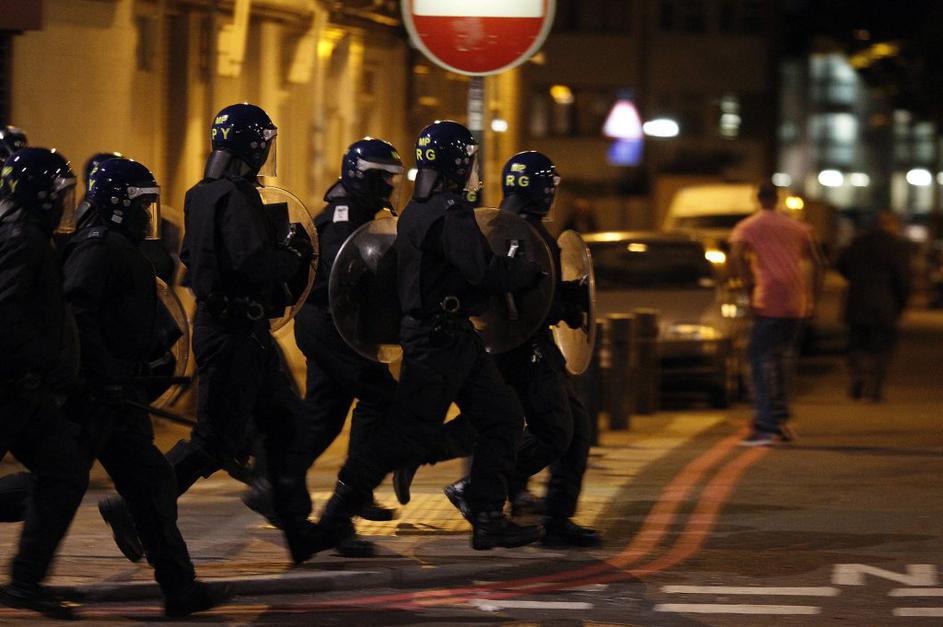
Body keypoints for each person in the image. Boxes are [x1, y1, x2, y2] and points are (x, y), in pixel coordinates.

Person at [300, 120, 544, 560]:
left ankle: (487, 514)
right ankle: (334, 518)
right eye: (469, 161)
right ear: (458, 164)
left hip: (451, 336)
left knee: (503, 416)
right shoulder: (450, 212)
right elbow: (482, 271)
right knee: (402, 438)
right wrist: (522, 269)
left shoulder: (417, 208)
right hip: (438, 341)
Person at [98, 103, 319, 564]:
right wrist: (293, 253)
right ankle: (133, 508)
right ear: (252, 148)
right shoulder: (237, 197)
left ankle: (294, 525)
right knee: (215, 441)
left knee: (286, 421)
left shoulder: (200, 193)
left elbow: (195, 258)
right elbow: (253, 264)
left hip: (235, 329)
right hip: (236, 331)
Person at [399, 152, 600, 547]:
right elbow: (509, 293)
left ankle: (544, 515)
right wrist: (562, 304)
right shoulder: (509, 230)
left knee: (531, 426)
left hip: (525, 345)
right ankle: (479, 492)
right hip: (521, 347)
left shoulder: (506, 225)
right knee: (544, 429)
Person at [58, 157, 227, 616]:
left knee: (150, 484)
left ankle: (180, 589)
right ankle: (179, 588)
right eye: (141, 204)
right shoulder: (99, 248)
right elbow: (77, 315)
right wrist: (106, 374)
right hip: (98, 396)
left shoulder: (115, 246)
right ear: (118, 204)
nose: (147, 215)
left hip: (117, 394)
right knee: (54, 485)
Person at [243, 138, 404, 541]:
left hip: (336, 328)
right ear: (361, 176)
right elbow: (341, 275)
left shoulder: (359, 211)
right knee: (382, 399)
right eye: (383, 177)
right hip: (330, 328)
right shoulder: (342, 219)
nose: (389, 185)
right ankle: (348, 500)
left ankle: (273, 483)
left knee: (323, 415)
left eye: (392, 178)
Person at [0, 147, 88, 619]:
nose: (66, 203)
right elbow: (7, 312)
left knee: (64, 473)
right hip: (11, 386)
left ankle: (26, 582)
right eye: (62, 194)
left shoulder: (28, 234)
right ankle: (26, 582)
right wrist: (36, 360)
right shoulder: (22, 239)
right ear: (40, 194)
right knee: (63, 473)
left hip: (25, 389)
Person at [729, 182, 823, 447]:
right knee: (782, 360)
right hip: (796, 303)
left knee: (758, 361)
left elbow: (736, 256)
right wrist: (812, 299)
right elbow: (818, 263)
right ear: (778, 199)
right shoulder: (798, 227)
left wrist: (748, 287)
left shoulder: (749, 226)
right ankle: (781, 420)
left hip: (768, 299)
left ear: (757, 199)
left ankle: (765, 425)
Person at [836, 211, 910, 402]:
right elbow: (902, 277)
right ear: (893, 225)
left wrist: (855, 278)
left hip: (857, 301)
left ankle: (859, 373)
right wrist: (902, 303)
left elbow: (841, 264)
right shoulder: (896, 246)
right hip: (885, 303)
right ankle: (875, 390)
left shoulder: (858, 242)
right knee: (882, 348)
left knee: (857, 343)